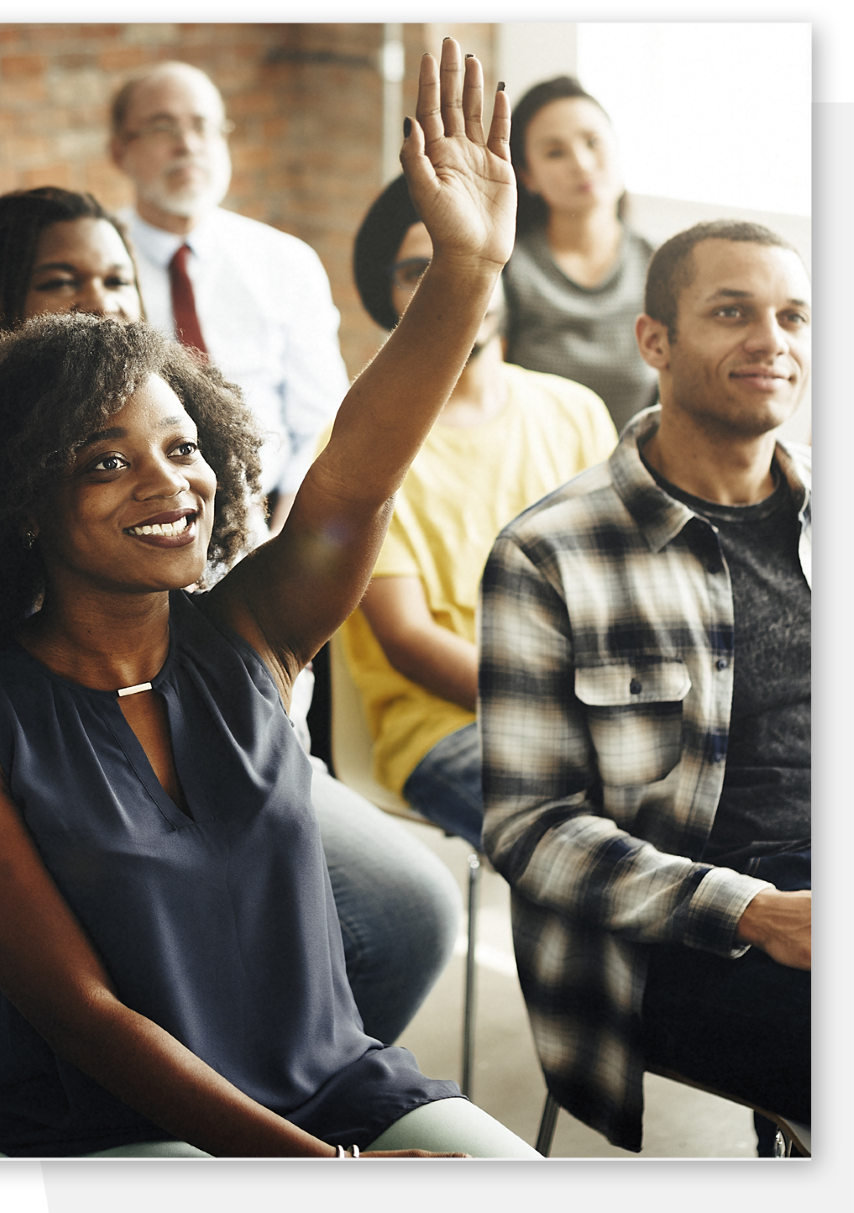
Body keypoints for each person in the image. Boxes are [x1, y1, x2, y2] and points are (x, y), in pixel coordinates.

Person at [0, 45, 539, 1158]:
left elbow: (356, 478)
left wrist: (466, 269)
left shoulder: (252, 630)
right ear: (19, 504)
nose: (170, 483)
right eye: (104, 461)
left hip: (337, 1088)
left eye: (184, 448)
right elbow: (87, 1019)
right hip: (120, 1134)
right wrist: (319, 1173)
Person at [0, 187, 462, 1057]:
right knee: (129, 951)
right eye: (62, 281)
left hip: (180, 749)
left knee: (395, 912)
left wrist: (470, 266)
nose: (99, 300)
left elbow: (351, 488)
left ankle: (269, 1065)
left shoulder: (225, 607)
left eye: (118, 277)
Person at [479, 219, 811, 1154]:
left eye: (793, 316)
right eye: (732, 312)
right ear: (654, 340)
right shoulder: (550, 552)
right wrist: (755, 909)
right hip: (670, 940)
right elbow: (529, 828)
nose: (772, 341)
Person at [340, 175, 616, 849]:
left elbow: (622, 581)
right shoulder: (361, 443)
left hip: (593, 709)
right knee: (607, 848)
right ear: (388, 295)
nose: (452, 282)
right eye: (419, 269)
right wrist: (562, 709)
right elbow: (408, 640)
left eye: (468, 260)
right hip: (447, 730)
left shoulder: (574, 409)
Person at [109, 60, 349, 535]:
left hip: (270, 518)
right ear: (120, 151)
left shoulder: (286, 261)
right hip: (139, 520)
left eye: (203, 126)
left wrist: (288, 531)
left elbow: (323, 422)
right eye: (163, 127)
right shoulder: (97, 264)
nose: (188, 144)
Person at [502, 77, 658, 434]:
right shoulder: (508, 269)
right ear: (527, 175)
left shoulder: (659, 267)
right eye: (555, 152)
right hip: (535, 474)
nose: (583, 164)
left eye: (593, 142)